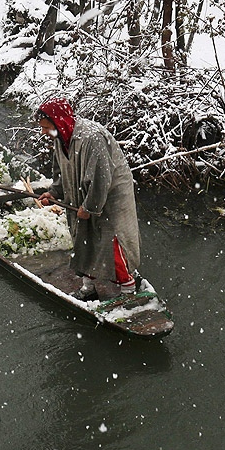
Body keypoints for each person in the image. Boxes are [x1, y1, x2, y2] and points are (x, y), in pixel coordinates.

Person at [35, 98, 141, 299]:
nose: (43, 132)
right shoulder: (61, 137)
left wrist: (91, 207)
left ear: (60, 121)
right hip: (82, 192)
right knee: (82, 237)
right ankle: (88, 287)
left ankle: (128, 290)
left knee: (112, 241)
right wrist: (54, 192)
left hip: (111, 196)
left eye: (46, 127)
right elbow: (61, 170)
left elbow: (102, 178)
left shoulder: (93, 138)